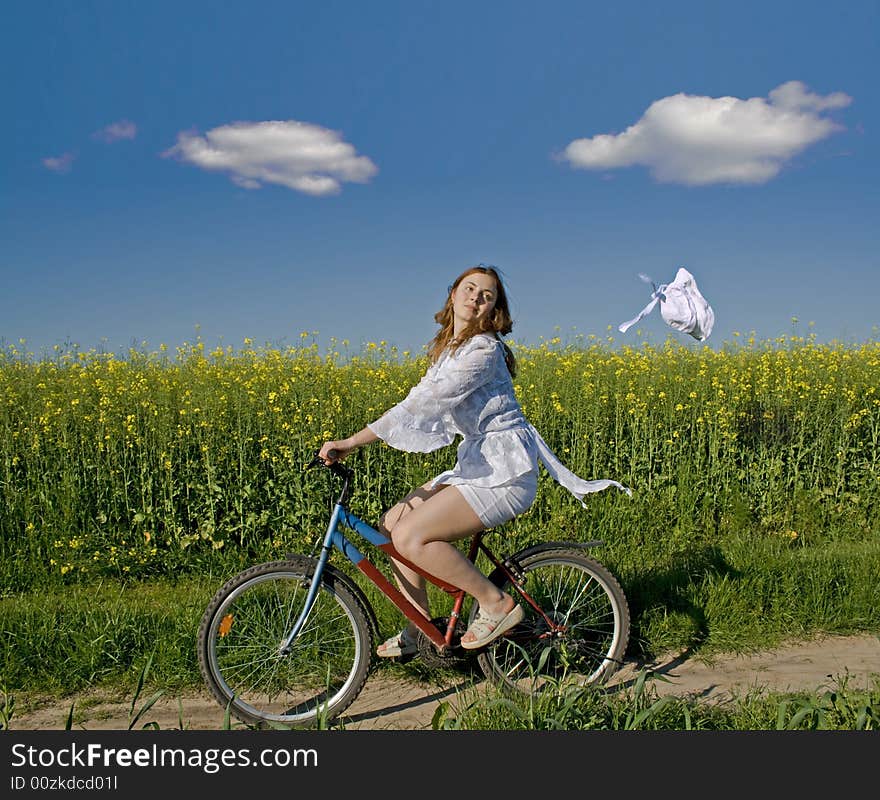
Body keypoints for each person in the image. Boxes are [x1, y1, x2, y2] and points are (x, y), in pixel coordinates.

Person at [318, 265, 629, 657]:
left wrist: (351, 442)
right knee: (393, 523)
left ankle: (496, 603)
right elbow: (422, 398)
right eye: (469, 289)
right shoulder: (451, 349)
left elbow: (423, 404)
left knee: (411, 537)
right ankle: (421, 627)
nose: (476, 298)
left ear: (493, 310)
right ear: (453, 294)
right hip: (479, 464)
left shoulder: (483, 350)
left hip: (505, 472)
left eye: (487, 295)